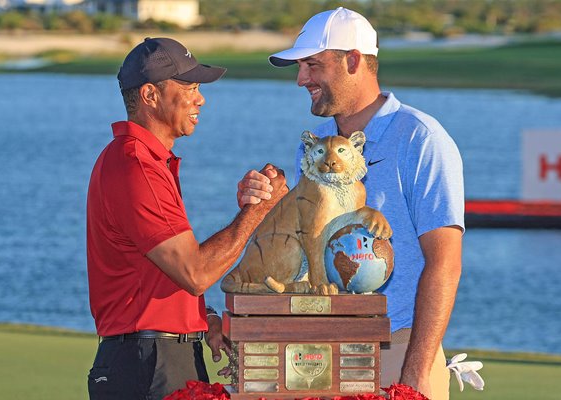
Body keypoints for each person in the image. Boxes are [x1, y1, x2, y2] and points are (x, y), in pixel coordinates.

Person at [239, 7, 464, 400]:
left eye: (312, 65)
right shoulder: (314, 144)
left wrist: (417, 371)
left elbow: (445, 262)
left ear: (354, 60)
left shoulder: (421, 138)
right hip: (318, 352)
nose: (300, 79)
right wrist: (264, 208)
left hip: (397, 348)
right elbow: (306, 251)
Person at [86, 37, 287, 400]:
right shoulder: (136, 166)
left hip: (158, 357)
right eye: (190, 87)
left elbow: (159, 273)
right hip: (149, 364)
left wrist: (202, 319)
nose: (200, 98)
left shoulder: (143, 162)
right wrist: (257, 210)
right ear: (150, 95)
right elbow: (195, 272)